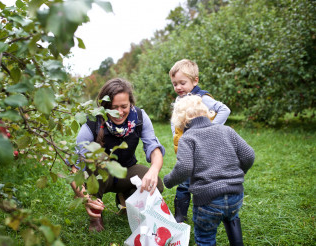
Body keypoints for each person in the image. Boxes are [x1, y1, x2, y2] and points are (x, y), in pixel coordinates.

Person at [70, 78, 165, 232]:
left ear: (131, 104)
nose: (119, 112)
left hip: (127, 169)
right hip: (100, 174)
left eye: (124, 106)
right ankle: (95, 215)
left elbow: (154, 148)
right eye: (114, 107)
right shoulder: (92, 122)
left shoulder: (139, 118)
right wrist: (85, 197)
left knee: (156, 185)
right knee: (92, 166)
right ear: (104, 106)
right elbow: (74, 167)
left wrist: (153, 171)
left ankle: (126, 199)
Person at [163, 95, 255, 246]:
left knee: (205, 238)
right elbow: (249, 155)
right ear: (206, 112)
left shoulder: (188, 138)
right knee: (231, 217)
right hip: (235, 194)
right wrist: (241, 172)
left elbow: (184, 168)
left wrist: (168, 180)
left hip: (208, 199)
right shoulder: (226, 130)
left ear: (181, 121)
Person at [169, 59, 231, 223]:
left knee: (204, 184)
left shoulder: (202, 97)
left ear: (195, 80)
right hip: (186, 152)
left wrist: (211, 129)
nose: (178, 87)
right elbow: (174, 120)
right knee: (183, 184)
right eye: (175, 84)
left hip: (203, 153)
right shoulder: (179, 100)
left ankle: (209, 213)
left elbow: (225, 110)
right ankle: (180, 216)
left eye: (182, 83)